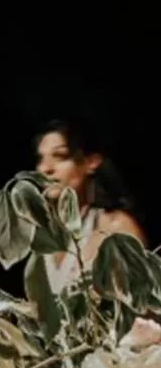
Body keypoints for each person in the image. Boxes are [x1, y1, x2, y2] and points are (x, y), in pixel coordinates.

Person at [35, 119, 146, 292]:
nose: (45, 168)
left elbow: (143, 300)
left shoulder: (116, 228)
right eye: (41, 158)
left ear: (91, 162)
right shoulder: (44, 238)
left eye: (60, 156)